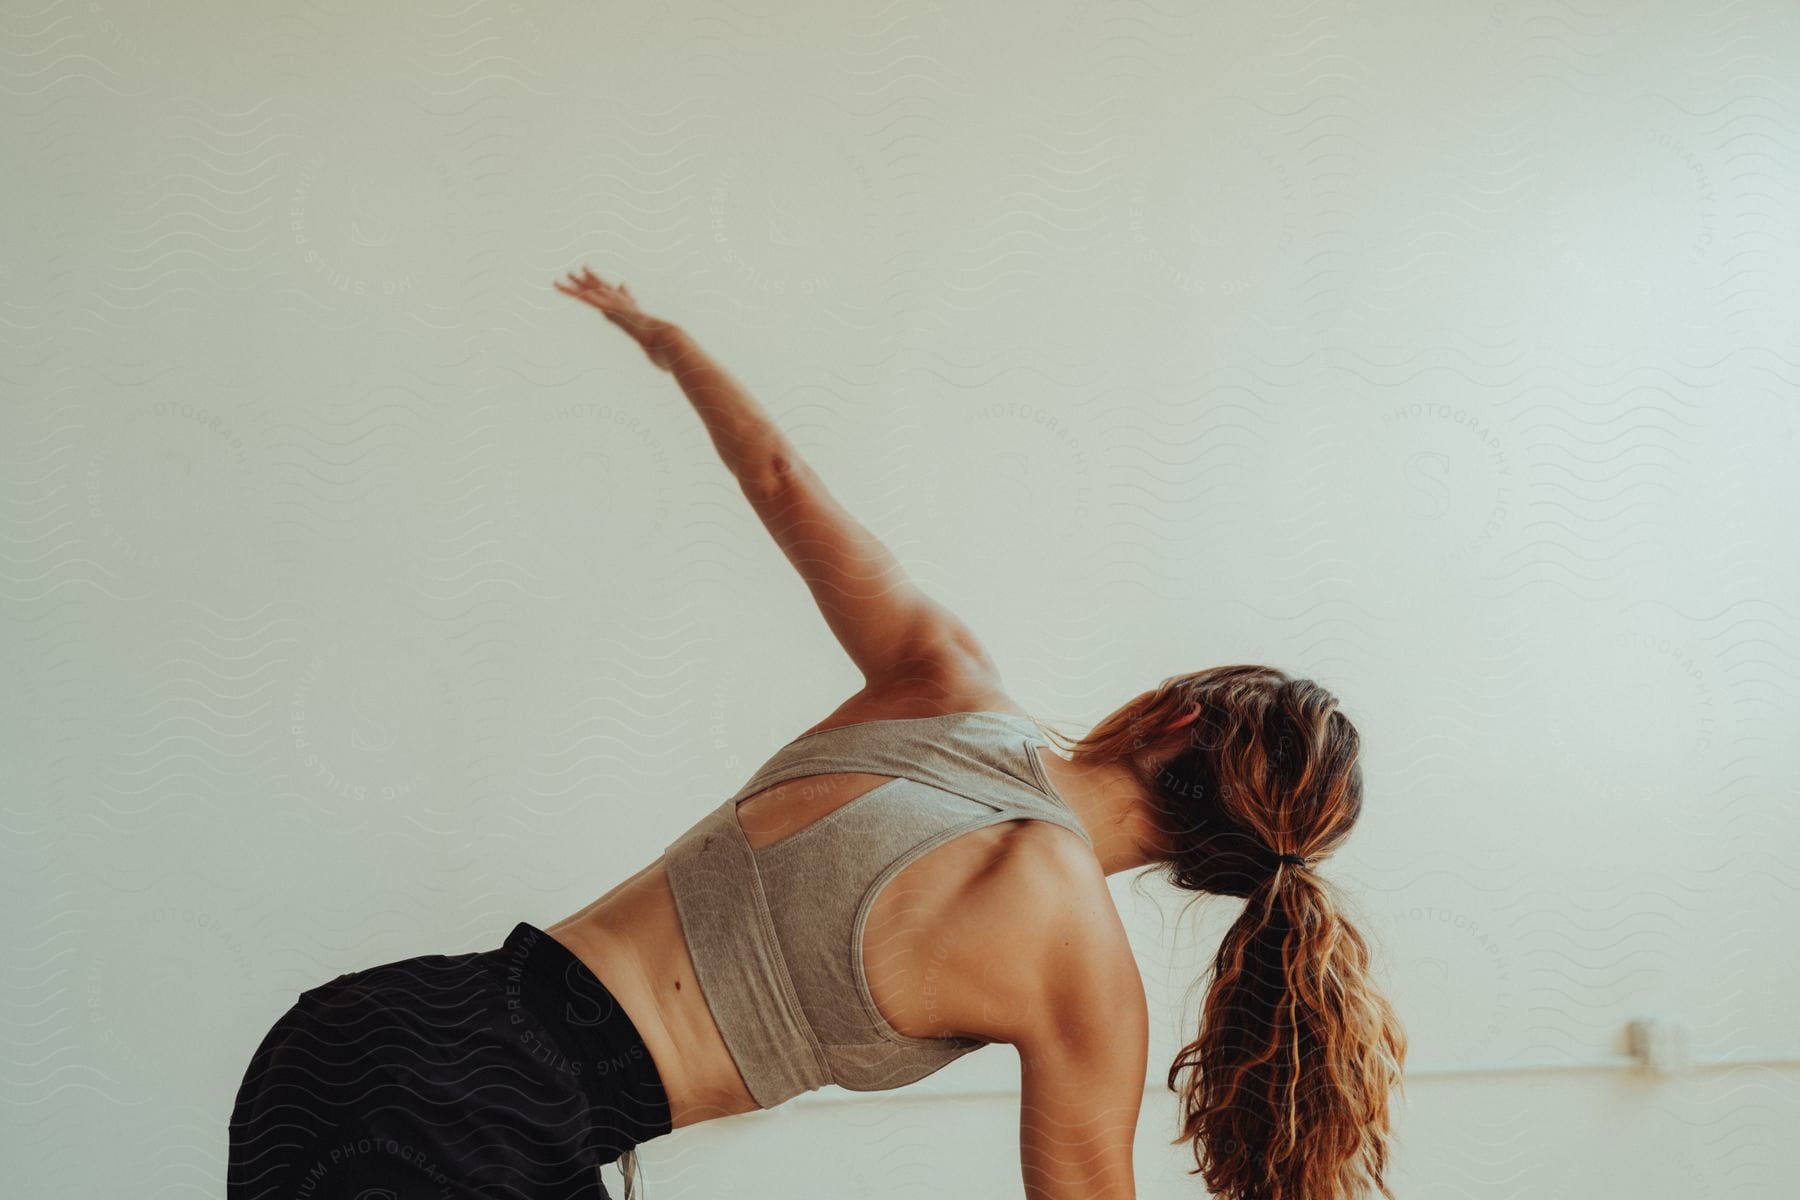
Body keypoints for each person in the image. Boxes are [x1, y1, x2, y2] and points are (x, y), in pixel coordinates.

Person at [226, 266, 1407, 1200]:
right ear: (1229, 873)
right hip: (499, 1130)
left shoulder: (942, 686)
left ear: (1173, 712)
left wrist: (664, 337)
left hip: (377, 1031)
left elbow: (783, 480)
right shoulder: (1086, 983)